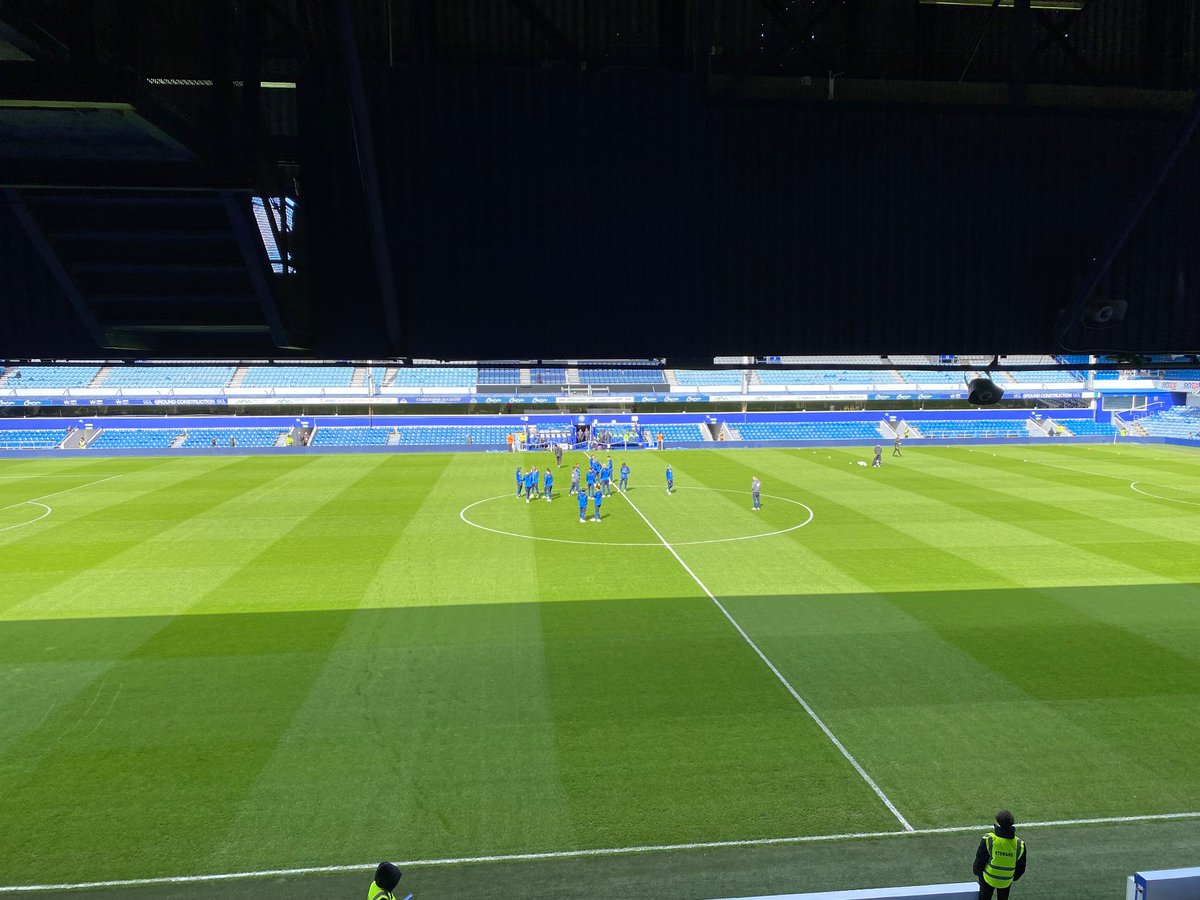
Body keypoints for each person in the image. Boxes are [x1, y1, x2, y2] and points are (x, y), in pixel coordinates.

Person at [973, 810, 1026, 900]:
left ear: (998, 825)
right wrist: (1012, 877)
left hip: (988, 878)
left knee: (984, 896)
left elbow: (980, 860)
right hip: (1006, 880)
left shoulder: (989, 839)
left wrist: (977, 872)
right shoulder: (1019, 844)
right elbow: (1021, 867)